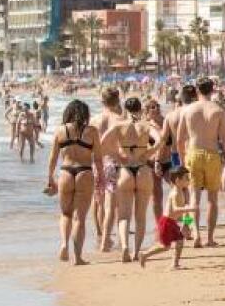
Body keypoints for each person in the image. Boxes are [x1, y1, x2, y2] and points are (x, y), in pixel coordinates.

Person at [176, 77, 225, 247]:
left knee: (193, 198)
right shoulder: (218, 110)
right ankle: (209, 237)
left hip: (193, 153)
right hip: (212, 154)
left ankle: (196, 234)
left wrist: (181, 160)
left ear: (196, 90)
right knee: (212, 199)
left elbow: (179, 139)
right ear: (213, 89)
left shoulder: (187, 110)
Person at [44, 99, 102, 265]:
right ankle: (77, 257)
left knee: (65, 214)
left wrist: (50, 179)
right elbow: (98, 159)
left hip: (65, 173)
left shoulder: (60, 131)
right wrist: (101, 178)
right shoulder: (92, 131)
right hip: (84, 172)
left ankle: (64, 244)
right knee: (79, 218)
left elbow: (53, 157)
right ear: (85, 114)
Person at [107, 97, 156, 263]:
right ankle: (136, 252)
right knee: (140, 216)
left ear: (125, 110)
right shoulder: (147, 125)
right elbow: (162, 138)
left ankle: (125, 247)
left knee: (123, 215)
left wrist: (118, 156)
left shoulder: (119, 125)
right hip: (142, 169)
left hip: (125, 169)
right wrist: (148, 153)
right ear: (140, 109)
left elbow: (102, 144)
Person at [138, 167, 195, 269]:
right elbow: (176, 209)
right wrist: (190, 209)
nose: (189, 180)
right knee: (165, 246)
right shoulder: (175, 193)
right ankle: (145, 255)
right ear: (178, 180)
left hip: (172, 222)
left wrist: (187, 222)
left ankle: (175, 263)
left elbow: (182, 213)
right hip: (166, 223)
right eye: (186, 178)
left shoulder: (181, 191)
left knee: (180, 241)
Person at [94, 87, 126, 251]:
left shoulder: (94, 120)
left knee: (100, 204)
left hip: (96, 164)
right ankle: (109, 239)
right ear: (117, 101)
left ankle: (103, 239)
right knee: (113, 205)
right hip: (113, 163)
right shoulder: (119, 119)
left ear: (102, 101)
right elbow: (123, 145)